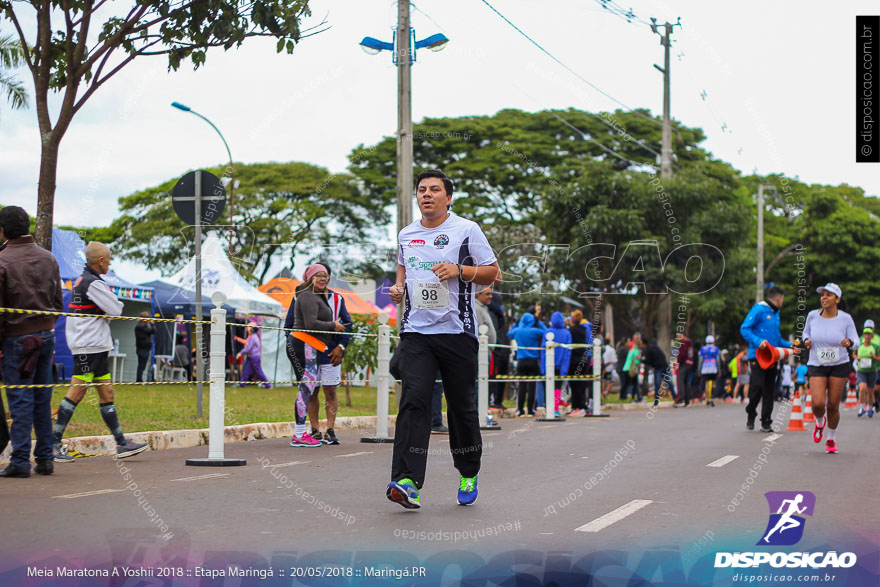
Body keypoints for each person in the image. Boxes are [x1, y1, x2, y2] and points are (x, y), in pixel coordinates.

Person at [386, 168, 501, 509]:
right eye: (422, 189)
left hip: (457, 331)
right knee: (414, 401)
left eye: (435, 190)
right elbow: (403, 275)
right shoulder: (406, 234)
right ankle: (407, 480)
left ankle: (468, 471)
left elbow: (493, 271)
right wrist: (397, 290)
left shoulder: (467, 230)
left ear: (448, 197)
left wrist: (459, 271)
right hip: (417, 332)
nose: (427, 195)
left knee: (462, 408)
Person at [52, 242, 148, 461]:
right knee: (77, 392)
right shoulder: (93, 283)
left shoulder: (83, 280)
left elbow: (110, 311)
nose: (111, 262)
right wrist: (107, 312)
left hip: (93, 346)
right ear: (101, 260)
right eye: (109, 258)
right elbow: (116, 309)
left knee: (107, 393)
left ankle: (121, 443)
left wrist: (106, 312)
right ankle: (53, 443)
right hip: (90, 347)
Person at [0, 206, 63, 478]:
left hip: (17, 339)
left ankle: (21, 461)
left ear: (2, 231)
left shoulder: (2, 261)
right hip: (47, 335)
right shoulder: (49, 258)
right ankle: (46, 459)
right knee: (41, 397)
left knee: (21, 400)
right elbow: (59, 304)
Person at [290, 264, 346, 447]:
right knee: (306, 390)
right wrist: (333, 325)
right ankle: (300, 433)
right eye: (318, 275)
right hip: (305, 344)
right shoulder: (307, 295)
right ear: (309, 278)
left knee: (308, 389)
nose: (323, 279)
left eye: (325, 276)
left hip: (312, 346)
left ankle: (301, 433)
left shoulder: (315, 295)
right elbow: (310, 324)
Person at [803, 283, 858, 453]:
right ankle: (820, 423)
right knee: (818, 403)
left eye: (829, 295)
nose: (824, 298)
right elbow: (805, 333)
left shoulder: (845, 318)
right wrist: (806, 341)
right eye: (823, 295)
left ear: (837, 299)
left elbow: (856, 341)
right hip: (817, 363)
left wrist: (849, 343)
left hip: (839, 364)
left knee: (833, 405)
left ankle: (831, 438)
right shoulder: (812, 315)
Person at [740, 285, 793, 433]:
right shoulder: (759, 309)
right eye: (782, 298)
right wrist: (758, 342)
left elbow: (777, 340)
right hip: (757, 356)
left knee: (770, 389)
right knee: (757, 387)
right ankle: (751, 412)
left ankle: (766, 422)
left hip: (772, 357)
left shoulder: (776, 314)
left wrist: (791, 345)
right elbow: (744, 328)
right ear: (779, 298)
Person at [508, 310, 547, 416]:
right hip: (533, 361)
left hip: (521, 361)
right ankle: (530, 410)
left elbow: (509, 334)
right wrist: (538, 321)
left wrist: (517, 324)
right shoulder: (534, 331)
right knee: (532, 386)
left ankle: (519, 410)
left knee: (522, 386)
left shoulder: (518, 331)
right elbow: (546, 332)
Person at [539, 311, 572, 417]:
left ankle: (549, 408)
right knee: (558, 388)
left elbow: (543, 351)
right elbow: (568, 353)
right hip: (561, 366)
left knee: (548, 386)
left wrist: (543, 368)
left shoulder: (547, 332)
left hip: (548, 365)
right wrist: (564, 369)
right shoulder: (567, 333)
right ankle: (555, 409)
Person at [567, 310, 592, 417]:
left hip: (573, 361)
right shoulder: (585, 329)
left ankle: (577, 407)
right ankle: (581, 407)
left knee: (574, 385)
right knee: (581, 384)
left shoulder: (570, 331)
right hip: (583, 360)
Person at [487, 291, 510, 409]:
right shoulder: (491, 314)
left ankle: (497, 401)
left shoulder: (499, 314)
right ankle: (491, 401)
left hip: (503, 351)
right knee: (492, 377)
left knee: (500, 377)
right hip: (496, 351)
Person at [855, 321, 880, 418]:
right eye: (865, 333)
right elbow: (854, 353)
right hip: (861, 370)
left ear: (872, 334)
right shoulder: (859, 343)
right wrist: (857, 358)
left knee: (870, 391)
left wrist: (874, 357)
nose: (867, 336)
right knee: (862, 388)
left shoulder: (876, 345)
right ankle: (862, 408)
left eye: (869, 334)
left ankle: (870, 408)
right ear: (863, 334)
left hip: (873, 370)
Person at [238, 322, 271, 388]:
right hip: (252, 357)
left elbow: (248, 348)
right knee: (246, 371)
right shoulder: (253, 337)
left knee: (259, 371)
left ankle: (268, 385)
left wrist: (240, 353)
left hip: (254, 357)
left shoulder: (253, 337)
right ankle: (242, 384)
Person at [644, 338, 670, 405]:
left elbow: (648, 361)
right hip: (665, 366)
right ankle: (676, 398)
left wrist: (642, 360)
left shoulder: (649, 350)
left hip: (658, 369)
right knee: (669, 383)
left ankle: (656, 402)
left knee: (657, 385)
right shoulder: (658, 349)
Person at [672, 332, 694, 406]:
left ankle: (680, 399)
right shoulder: (690, 342)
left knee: (680, 381)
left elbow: (682, 355)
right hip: (689, 364)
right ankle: (687, 401)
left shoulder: (683, 343)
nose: (677, 337)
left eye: (678, 335)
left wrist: (678, 364)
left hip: (683, 364)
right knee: (686, 382)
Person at [621, 333, 645, 403]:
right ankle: (635, 398)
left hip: (626, 368)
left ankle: (622, 397)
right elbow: (637, 362)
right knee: (635, 384)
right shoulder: (636, 351)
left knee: (626, 384)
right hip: (632, 369)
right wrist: (641, 359)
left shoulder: (631, 350)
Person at [698, 335, 720, 407]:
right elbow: (718, 360)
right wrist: (719, 370)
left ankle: (707, 400)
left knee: (706, 384)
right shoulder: (716, 348)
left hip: (705, 368)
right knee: (713, 383)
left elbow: (700, 360)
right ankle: (712, 398)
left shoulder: (703, 349)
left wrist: (699, 370)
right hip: (714, 368)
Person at [134, 312, 155, 383]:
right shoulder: (142, 326)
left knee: (141, 365)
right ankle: (139, 380)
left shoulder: (140, 325)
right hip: (143, 348)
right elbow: (153, 331)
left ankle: (139, 379)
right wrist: (152, 324)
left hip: (142, 348)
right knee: (142, 365)